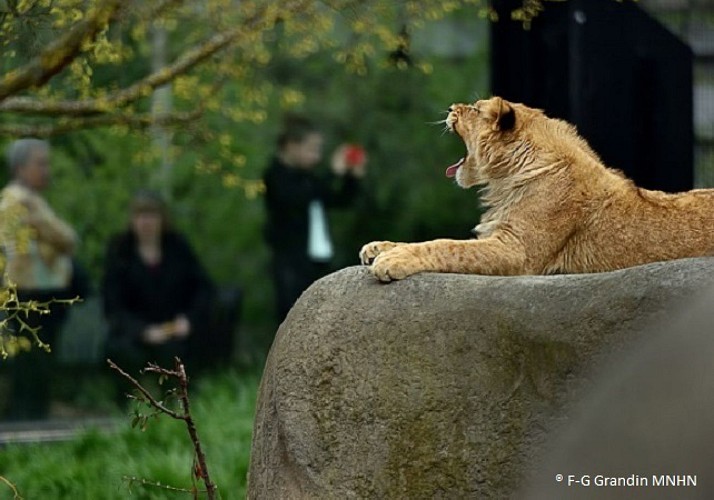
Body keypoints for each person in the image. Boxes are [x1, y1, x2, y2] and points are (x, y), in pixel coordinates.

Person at [102, 190, 213, 395]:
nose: (146, 222)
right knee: (121, 350)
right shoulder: (120, 251)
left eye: (152, 216)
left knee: (183, 349)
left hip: (174, 328)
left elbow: (203, 289)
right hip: (135, 332)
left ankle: (181, 400)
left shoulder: (178, 248)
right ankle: (128, 401)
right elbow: (113, 305)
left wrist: (188, 320)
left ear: (162, 219)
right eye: (141, 216)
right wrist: (143, 331)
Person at [0, 138, 78, 420]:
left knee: (39, 363)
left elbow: (64, 240)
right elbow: (65, 239)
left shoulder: (34, 201)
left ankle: (34, 416)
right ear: (20, 168)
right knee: (31, 364)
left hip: (44, 293)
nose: (47, 170)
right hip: (28, 294)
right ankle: (26, 422)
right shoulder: (18, 201)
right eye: (40, 164)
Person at [263, 116, 367, 323]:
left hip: (317, 260)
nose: (317, 156)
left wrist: (351, 177)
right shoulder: (275, 176)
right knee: (293, 320)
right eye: (312, 149)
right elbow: (296, 199)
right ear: (291, 146)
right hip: (291, 263)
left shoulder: (309, 178)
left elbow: (338, 200)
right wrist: (332, 173)